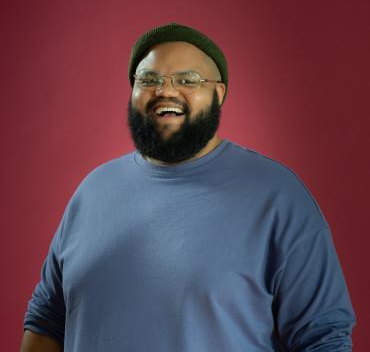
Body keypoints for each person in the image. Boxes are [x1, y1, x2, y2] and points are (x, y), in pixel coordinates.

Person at [21, 22, 356, 352]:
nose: (165, 91)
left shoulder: (279, 197)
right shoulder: (92, 191)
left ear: (218, 93)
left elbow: (323, 339)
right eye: (149, 79)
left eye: (187, 79)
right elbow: (48, 318)